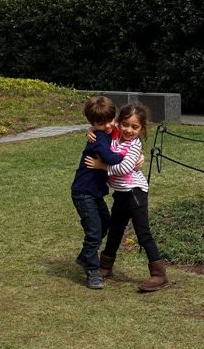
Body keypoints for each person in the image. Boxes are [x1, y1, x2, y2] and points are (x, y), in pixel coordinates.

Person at [85, 103, 169, 292]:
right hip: (121, 194)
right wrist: (90, 129)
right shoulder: (114, 133)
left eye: (135, 127)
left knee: (143, 233)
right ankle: (105, 266)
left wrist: (102, 167)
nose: (128, 130)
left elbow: (124, 168)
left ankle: (159, 274)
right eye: (125, 124)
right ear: (118, 122)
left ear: (142, 129)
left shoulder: (134, 145)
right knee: (115, 230)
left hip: (135, 193)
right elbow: (102, 125)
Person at [70, 96, 126, 289]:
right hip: (83, 192)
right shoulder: (99, 138)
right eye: (100, 123)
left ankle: (85, 255)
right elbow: (110, 157)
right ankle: (92, 271)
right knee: (94, 233)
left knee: (105, 224)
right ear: (93, 123)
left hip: (95, 193)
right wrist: (128, 156)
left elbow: (123, 127)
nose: (108, 125)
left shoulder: (108, 129)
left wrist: (95, 127)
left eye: (110, 120)